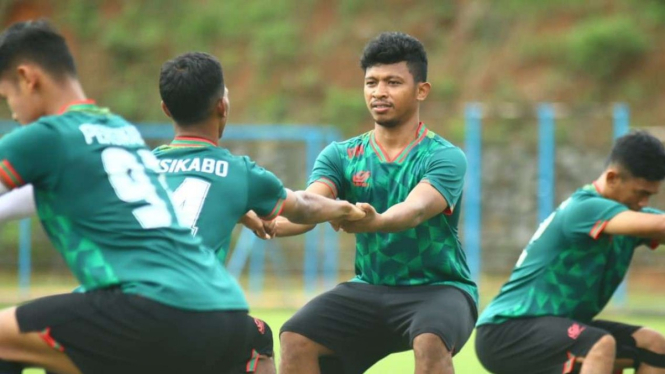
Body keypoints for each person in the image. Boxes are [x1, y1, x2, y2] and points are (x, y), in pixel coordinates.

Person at [0, 20, 363, 374]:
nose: (12, 111)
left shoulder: (57, 138)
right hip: (221, 308)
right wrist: (346, 208)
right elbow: (301, 206)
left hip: (147, 307)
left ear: (27, 78)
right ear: (222, 105)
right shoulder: (121, 133)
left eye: (7, 96)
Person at [276, 32, 478, 374]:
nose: (379, 92)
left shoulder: (444, 156)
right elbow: (308, 207)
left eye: (393, 82)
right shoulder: (341, 155)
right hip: (370, 288)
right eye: (371, 82)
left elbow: (415, 210)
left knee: (430, 338)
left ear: (421, 90)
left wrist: (375, 221)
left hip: (440, 289)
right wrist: (264, 220)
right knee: (296, 336)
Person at [475, 131, 665, 374]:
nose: (644, 203)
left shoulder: (629, 217)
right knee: (599, 345)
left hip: (557, 331)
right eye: (641, 193)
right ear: (613, 178)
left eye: (650, 195)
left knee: (654, 345)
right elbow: (660, 225)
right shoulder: (585, 208)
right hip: (507, 330)